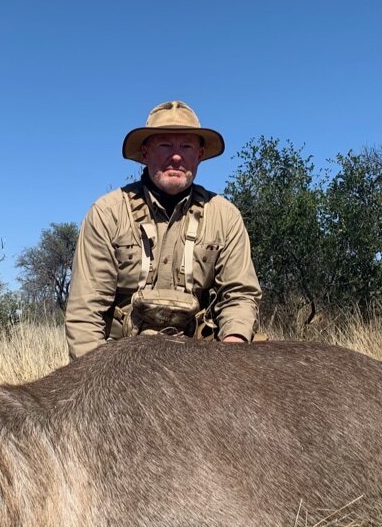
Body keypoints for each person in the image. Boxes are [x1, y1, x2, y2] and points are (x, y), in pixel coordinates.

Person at [66, 100, 261, 360]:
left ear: (200, 154)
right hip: (119, 364)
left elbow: (240, 295)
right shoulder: (107, 213)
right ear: (145, 153)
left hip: (204, 361)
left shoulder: (225, 215)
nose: (176, 156)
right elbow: (85, 311)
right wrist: (92, 383)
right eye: (165, 145)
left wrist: (231, 357)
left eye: (187, 146)